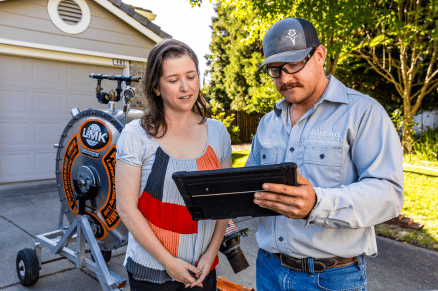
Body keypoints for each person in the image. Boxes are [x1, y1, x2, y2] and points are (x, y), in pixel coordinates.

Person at [247, 18, 404, 291]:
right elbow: (251, 187)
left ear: (319, 55)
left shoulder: (363, 113)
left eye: (294, 64)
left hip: (331, 279)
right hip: (268, 271)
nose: (285, 78)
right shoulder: (267, 123)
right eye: (275, 70)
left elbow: (389, 194)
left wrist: (318, 203)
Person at [115, 39, 232, 291]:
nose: (185, 87)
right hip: (151, 274)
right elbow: (126, 208)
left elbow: (224, 203)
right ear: (156, 87)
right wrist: (169, 263)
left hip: (203, 271)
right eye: (173, 80)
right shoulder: (136, 135)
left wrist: (210, 255)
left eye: (191, 76)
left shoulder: (218, 133)